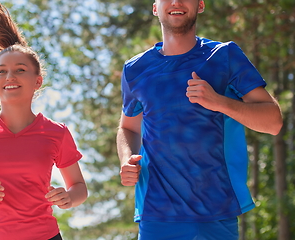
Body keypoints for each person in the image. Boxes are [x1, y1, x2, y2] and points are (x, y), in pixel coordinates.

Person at [116, 0, 283, 239]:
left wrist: (219, 102)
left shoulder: (224, 56)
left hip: (216, 211)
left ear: (200, 5)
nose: (176, 2)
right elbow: (128, 127)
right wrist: (126, 159)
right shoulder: (135, 69)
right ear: (155, 7)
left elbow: (274, 122)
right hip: (156, 212)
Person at [0, 1, 87, 239]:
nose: (10, 76)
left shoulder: (56, 132)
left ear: (37, 81)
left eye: (20, 69)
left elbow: (79, 188)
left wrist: (69, 197)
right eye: (2, 71)